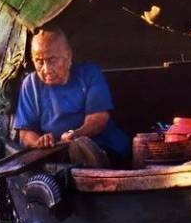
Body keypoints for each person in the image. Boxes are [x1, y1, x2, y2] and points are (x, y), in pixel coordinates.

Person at [14, 26, 130, 165]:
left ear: (68, 56)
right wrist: (39, 142)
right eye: (39, 61)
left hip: (104, 147)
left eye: (52, 60)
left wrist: (76, 135)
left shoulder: (90, 74)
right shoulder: (31, 84)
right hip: (59, 154)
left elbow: (99, 118)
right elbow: (25, 133)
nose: (46, 69)